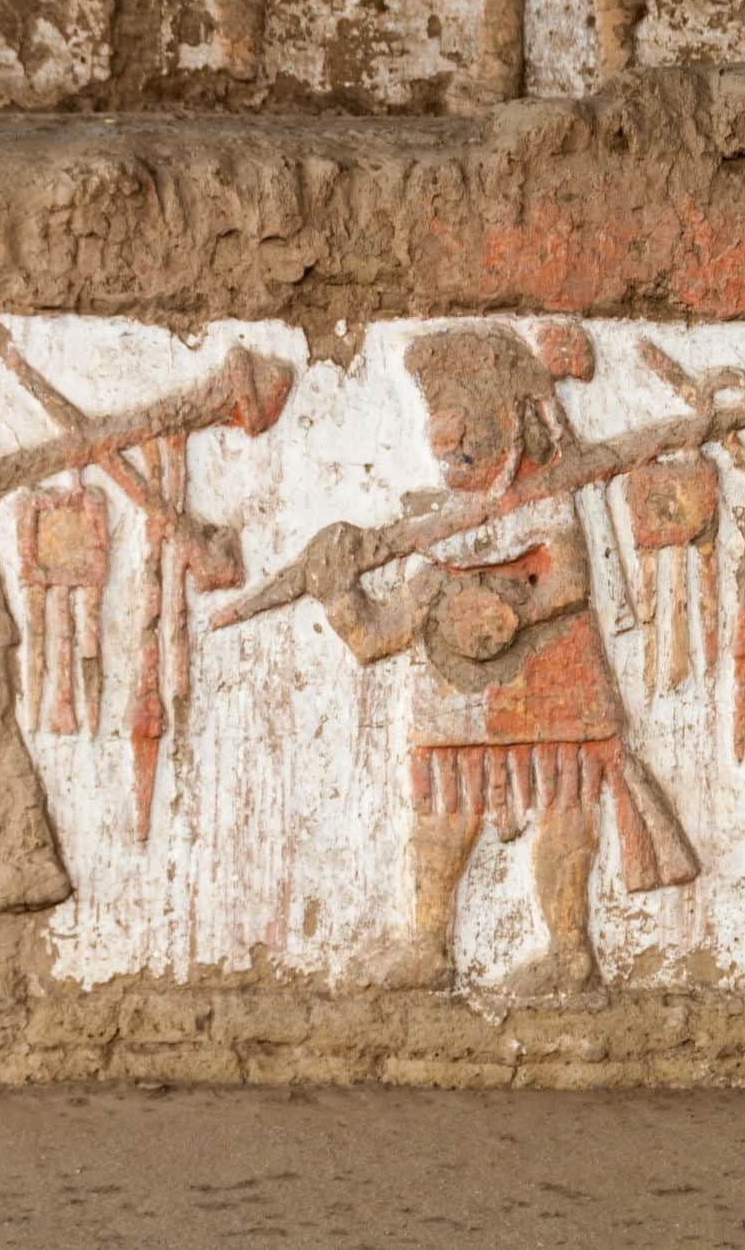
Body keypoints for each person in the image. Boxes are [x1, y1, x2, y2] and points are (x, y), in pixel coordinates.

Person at [297, 323, 698, 994]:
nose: (451, 453)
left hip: (551, 671)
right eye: (443, 441)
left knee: (564, 804)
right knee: (442, 813)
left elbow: (569, 581)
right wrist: (338, 595)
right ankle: (429, 941)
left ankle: (569, 948)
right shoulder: (429, 525)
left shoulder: (544, 498)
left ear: (505, 427)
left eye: (464, 438)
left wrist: (512, 610)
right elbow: (377, 637)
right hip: (457, 695)